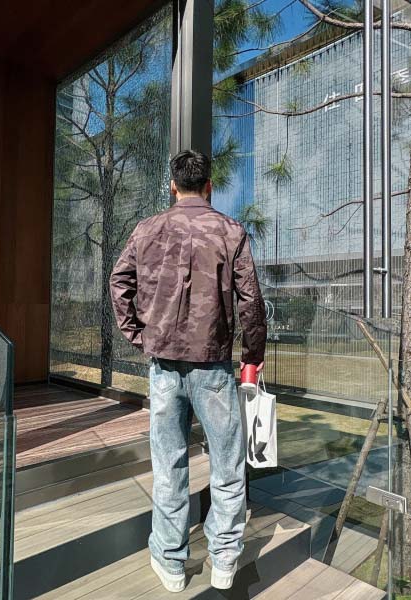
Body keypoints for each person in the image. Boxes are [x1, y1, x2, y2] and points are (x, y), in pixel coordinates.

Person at [110, 150, 267, 593]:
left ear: (173, 186)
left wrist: (138, 335)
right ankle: (224, 559)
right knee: (227, 465)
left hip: (163, 366)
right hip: (213, 368)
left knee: (169, 464)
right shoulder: (231, 231)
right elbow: (251, 301)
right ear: (210, 186)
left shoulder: (147, 229)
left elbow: (119, 283)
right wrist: (252, 354)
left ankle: (170, 561)